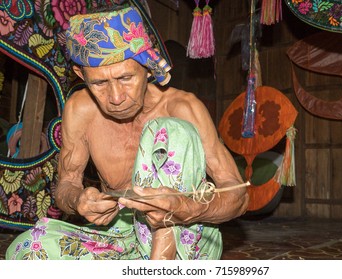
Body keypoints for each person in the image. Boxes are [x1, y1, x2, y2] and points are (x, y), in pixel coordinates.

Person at [6, 5, 248, 260]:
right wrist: (78, 200)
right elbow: (67, 184)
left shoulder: (183, 107)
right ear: (81, 75)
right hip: (119, 236)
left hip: (186, 236)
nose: (116, 97)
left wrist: (186, 208)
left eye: (125, 78)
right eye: (100, 83)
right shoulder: (80, 109)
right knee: (25, 251)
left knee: (168, 130)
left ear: (146, 67)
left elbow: (239, 196)